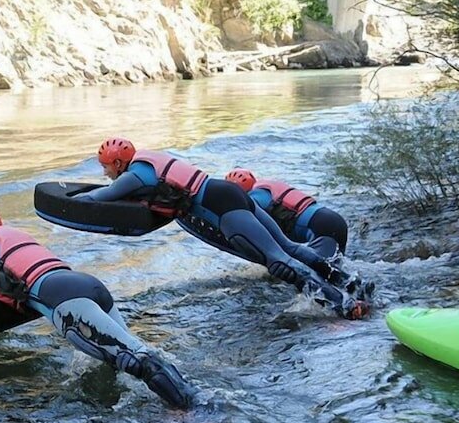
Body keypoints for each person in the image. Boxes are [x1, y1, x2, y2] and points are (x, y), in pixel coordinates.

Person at [0, 205, 197, 409]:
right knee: (135, 354)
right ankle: (188, 397)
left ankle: (193, 416)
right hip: (88, 285)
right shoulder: (17, 237)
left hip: (68, 303)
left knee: (138, 362)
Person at [75, 137, 370, 319]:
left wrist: (72, 199)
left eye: (105, 167)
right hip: (228, 193)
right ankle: (350, 283)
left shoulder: (134, 176)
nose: (105, 172)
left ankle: (343, 305)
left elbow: (101, 197)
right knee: (289, 248)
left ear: (118, 163)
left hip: (222, 207)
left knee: (278, 261)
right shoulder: (148, 160)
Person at [225, 168, 349, 255]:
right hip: (334, 220)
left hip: (321, 227)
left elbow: (248, 219)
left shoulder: (255, 197)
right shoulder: (266, 187)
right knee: (337, 271)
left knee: (324, 274)